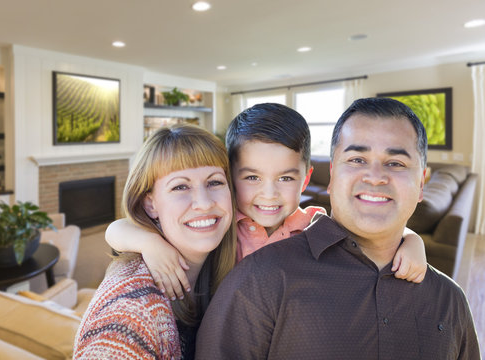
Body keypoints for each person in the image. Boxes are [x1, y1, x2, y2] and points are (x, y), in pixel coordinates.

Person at [195, 98, 480, 359]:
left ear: (421, 183)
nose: (375, 177)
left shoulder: (450, 301)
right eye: (357, 159)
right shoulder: (257, 276)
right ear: (332, 175)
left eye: (395, 163)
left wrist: (411, 238)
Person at [105, 103, 427, 301]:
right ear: (230, 177)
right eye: (252, 178)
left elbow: (368, 236)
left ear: (305, 178)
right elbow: (117, 230)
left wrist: (412, 241)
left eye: (286, 179)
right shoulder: (220, 226)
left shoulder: (316, 224)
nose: (269, 195)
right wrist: (151, 244)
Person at [73, 124, 236, 359]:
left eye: (214, 182)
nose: (204, 202)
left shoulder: (231, 259)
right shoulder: (131, 310)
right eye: (180, 186)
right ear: (151, 204)